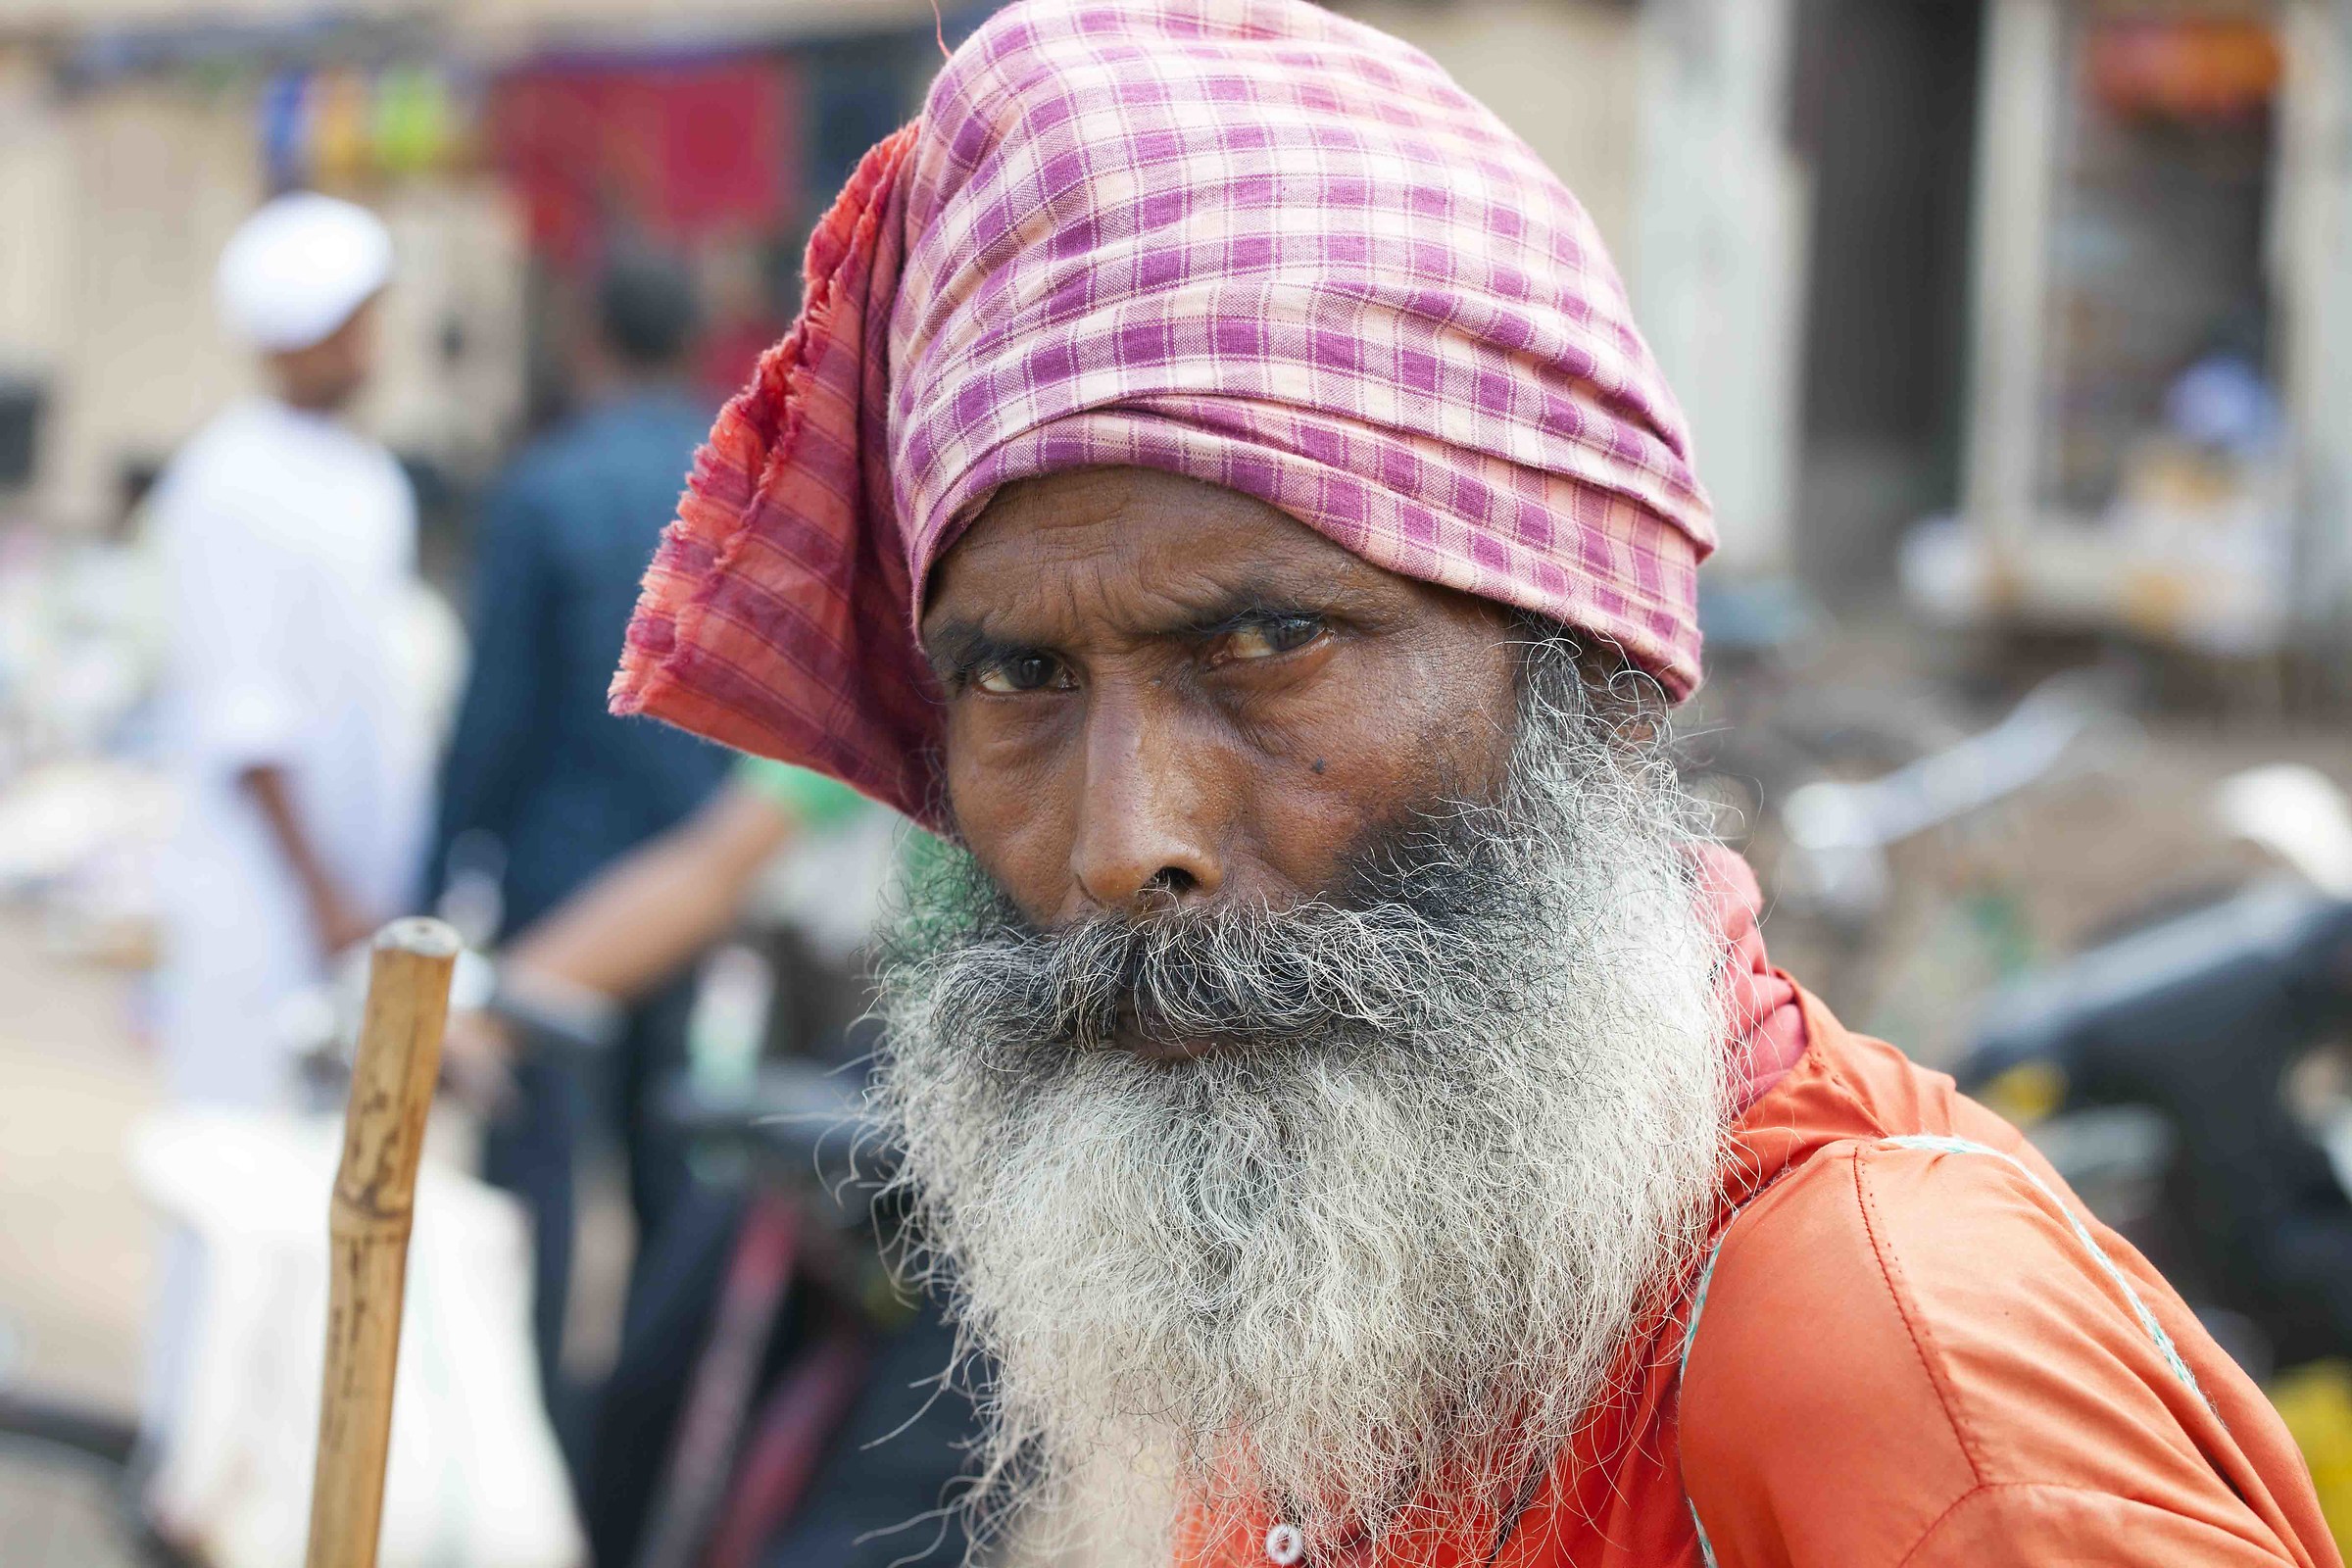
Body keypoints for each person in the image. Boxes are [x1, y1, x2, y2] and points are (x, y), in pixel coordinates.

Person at [608, 3, 2346, 1564]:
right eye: (1018, 678)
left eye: (1270, 641)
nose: (1128, 838)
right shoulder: (1354, 1331)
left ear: (1588, 685)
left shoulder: (1886, 1378)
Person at [146, 192, 429, 1442]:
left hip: (350, 900)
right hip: (264, 902)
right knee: (231, 1176)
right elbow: (244, 723)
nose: (370, 344)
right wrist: (323, 896)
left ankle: (284, 1458)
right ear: (301, 331)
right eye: (353, 320)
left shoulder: (367, 476)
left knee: (326, 1187)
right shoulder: (223, 481)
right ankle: (192, 1457)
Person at [428, 251, 732, 1392]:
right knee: (678, 1178)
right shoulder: (729, 481)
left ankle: (531, 1433)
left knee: (534, 1188)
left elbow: (490, 716)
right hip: (703, 883)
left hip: (559, 893)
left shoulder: (543, 488)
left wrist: (434, 881)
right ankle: (642, 1455)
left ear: (590, 338)